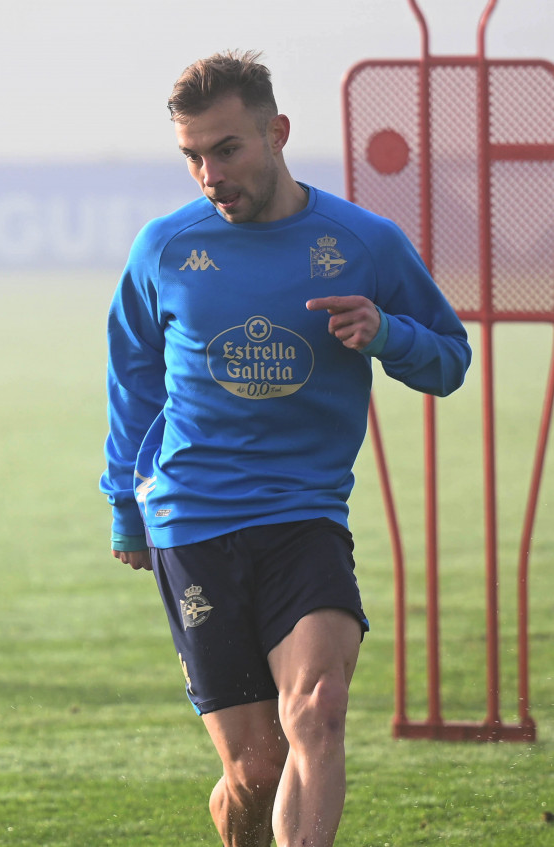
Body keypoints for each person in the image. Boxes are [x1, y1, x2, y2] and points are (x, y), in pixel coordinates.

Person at [100, 50, 471, 847]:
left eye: (225, 148)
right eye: (192, 155)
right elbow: (132, 378)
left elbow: (450, 358)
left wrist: (385, 333)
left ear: (276, 133)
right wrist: (123, 506)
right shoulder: (164, 249)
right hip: (191, 523)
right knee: (258, 768)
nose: (208, 173)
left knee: (319, 711)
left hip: (303, 516)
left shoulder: (362, 241)